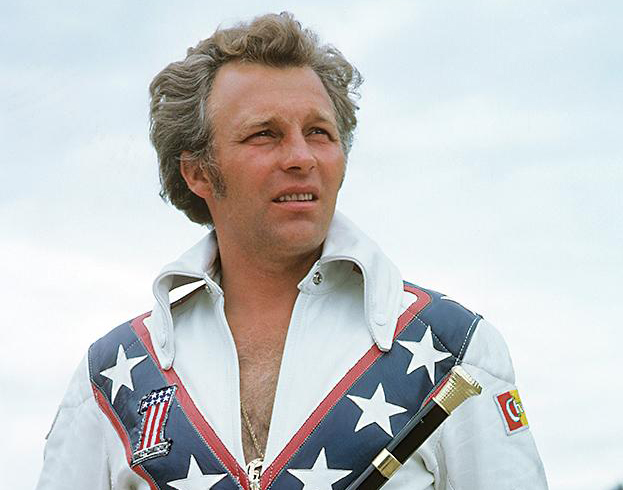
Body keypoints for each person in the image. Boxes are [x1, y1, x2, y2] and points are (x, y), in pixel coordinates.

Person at [36, 12, 548, 490]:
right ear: (197, 172)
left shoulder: (454, 349)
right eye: (265, 135)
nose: (302, 157)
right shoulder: (111, 377)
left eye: (319, 133)